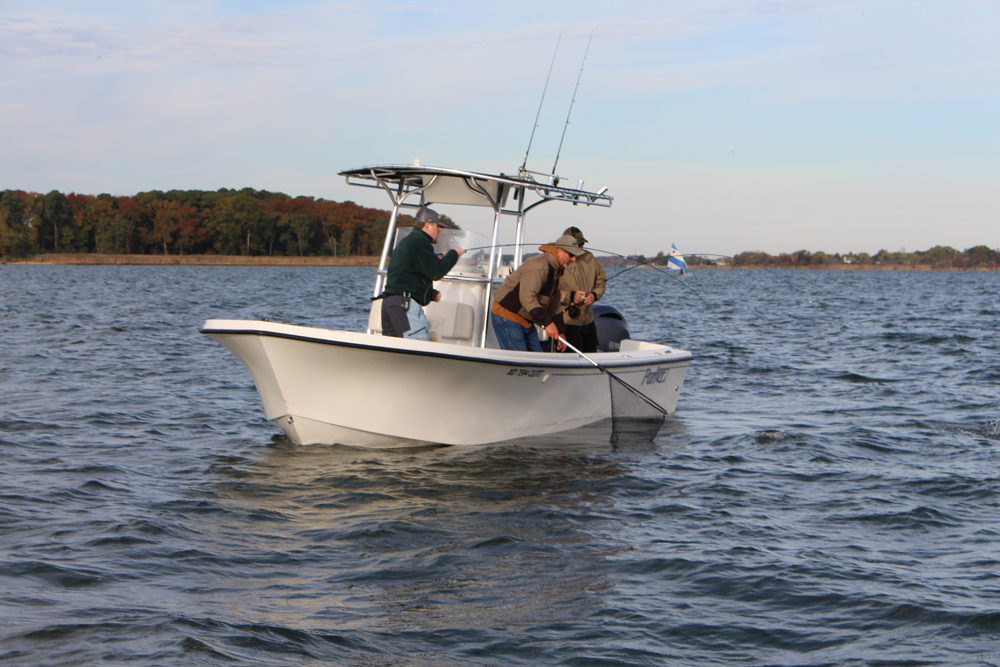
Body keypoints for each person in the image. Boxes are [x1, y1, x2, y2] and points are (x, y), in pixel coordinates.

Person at [380, 206, 464, 340]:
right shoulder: (420, 242)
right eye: (438, 226)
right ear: (427, 225)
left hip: (390, 304)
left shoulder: (408, 241)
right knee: (419, 347)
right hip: (404, 305)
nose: (440, 230)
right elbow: (436, 271)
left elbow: (409, 276)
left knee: (393, 351)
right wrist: (454, 253)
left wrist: (430, 294)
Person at [491, 234, 583, 352]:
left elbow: (554, 305)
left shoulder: (557, 269)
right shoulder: (540, 266)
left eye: (575, 256)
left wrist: (560, 332)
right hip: (507, 315)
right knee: (521, 361)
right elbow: (527, 297)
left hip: (526, 319)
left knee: (538, 357)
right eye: (571, 255)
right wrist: (548, 323)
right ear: (559, 251)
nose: (574, 259)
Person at [559, 226, 607, 353]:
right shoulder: (558, 261)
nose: (580, 247)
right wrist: (570, 296)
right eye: (577, 245)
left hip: (589, 322)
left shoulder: (590, 258)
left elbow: (601, 281)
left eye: (582, 244)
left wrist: (595, 295)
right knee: (571, 363)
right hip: (568, 324)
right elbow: (549, 293)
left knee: (591, 359)